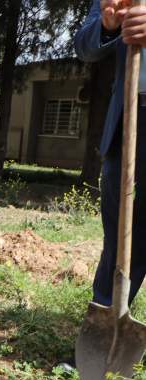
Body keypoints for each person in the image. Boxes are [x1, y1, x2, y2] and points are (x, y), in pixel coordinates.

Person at [75, 1, 146, 318]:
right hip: (129, 119)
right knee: (121, 234)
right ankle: (105, 325)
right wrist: (108, 26)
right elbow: (84, 46)